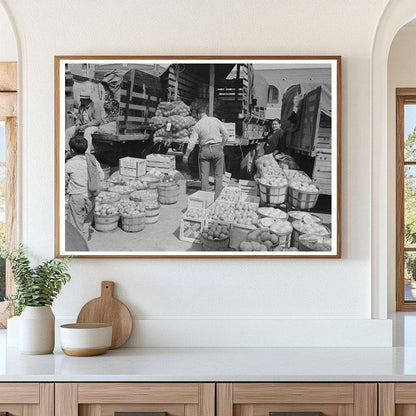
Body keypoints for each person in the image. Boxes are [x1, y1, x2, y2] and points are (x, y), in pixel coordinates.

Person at [183, 106, 228, 199]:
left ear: (199, 115)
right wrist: (222, 145)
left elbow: (192, 142)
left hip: (205, 150)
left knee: (204, 176)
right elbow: (226, 134)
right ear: (206, 113)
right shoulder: (216, 120)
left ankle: (205, 197)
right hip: (217, 149)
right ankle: (217, 197)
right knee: (218, 175)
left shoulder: (198, 124)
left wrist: (186, 155)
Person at [65, 137, 104, 241]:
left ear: (72, 150)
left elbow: (64, 181)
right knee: (87, 221)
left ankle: (78, 246)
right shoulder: (92, 160)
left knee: (76, 223)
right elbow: (101, 175)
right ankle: (85, 239)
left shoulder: (70, 164)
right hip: (91, 196)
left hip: (77, 197)